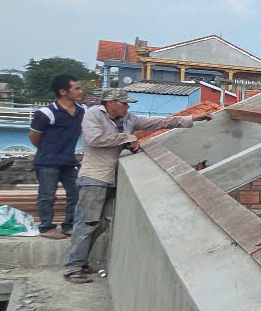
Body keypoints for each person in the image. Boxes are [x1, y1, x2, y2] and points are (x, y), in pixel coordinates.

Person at [62, 89, 211, 284]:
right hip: (94, 176)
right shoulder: (94, 114)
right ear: (111, 102)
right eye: (123, 103)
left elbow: (160, 122)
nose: (127, 107)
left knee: (101, 223)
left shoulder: (128, 118)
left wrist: (193, 119)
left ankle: (81, 262)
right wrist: (126, 138)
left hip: (111, 177)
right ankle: (73, 267)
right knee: (87, 222)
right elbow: (95, 139)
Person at [29, 75, 86, 239]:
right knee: (47, 196)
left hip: (69, 161)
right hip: (47, 162)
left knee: (76, 193)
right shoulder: (46, 113)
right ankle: (46, 228)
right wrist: (48, 151)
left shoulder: (82, 111)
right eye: (76, 88)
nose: (80, 91)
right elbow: (34, 136)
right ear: (63, 91)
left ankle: (69, 226)